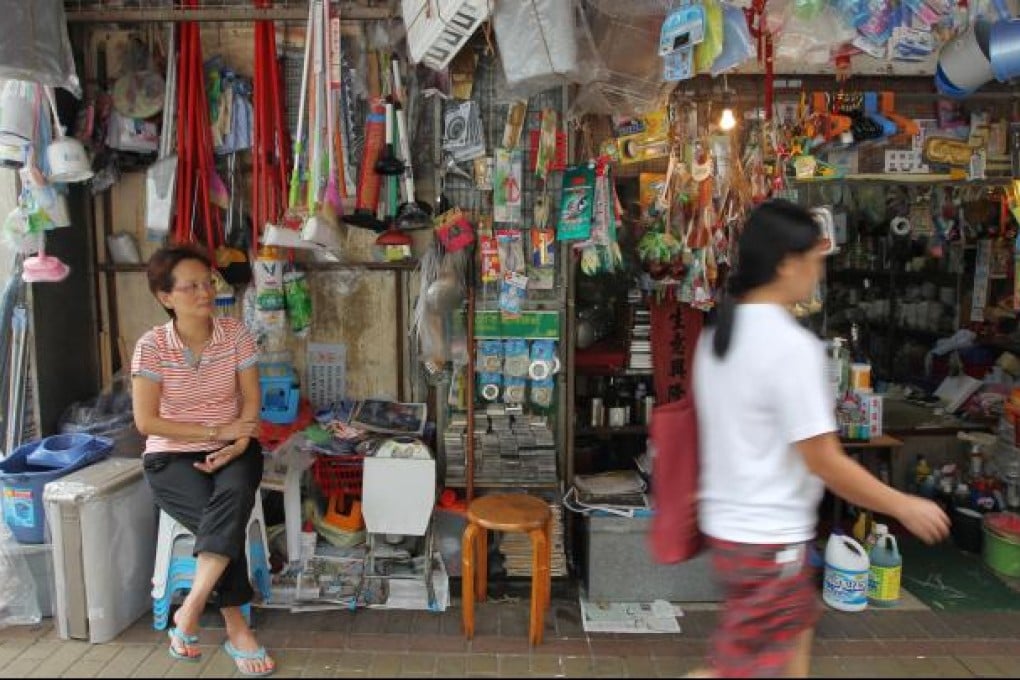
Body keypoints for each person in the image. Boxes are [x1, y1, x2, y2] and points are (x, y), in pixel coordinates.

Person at [691, 200, 950, 678]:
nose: (818, 272)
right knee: (736, 671)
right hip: (768, 541)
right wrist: (902, 504)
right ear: (788, 263)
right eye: (815, 259)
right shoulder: (790, 347)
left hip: (736, 533)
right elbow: (824, 461)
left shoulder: (715, 341)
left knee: (792, 647)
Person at [131, 244, 274, 677]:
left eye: (207, 283)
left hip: (235, 448)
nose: (204, 292)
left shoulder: (235, 334)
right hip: (171, 456)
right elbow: (146, 421)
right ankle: (235, 627)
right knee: (225, 516)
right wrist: (215, 434)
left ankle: (190, 609)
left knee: (230, 496)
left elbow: (252, 401)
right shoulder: (152, 346)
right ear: (165, 296)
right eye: (190, 286)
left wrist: (237, 440)